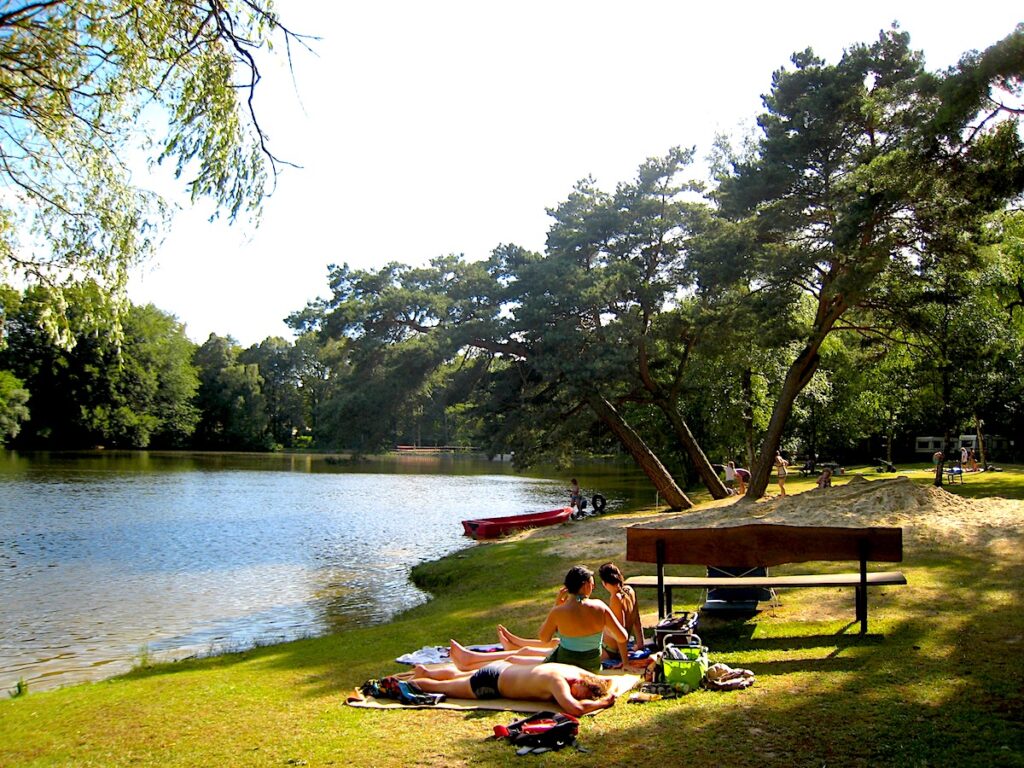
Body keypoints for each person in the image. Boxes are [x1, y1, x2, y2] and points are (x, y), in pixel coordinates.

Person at [450, 565, 627, 674]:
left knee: (515, 659)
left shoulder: (559, 611)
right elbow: (622, 637)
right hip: (592, 668)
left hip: (563, 667)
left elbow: (544, 638)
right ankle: (471, 659)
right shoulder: (600, 607)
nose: (593, 586)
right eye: (591, 583)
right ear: (584, 585)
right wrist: (600, 627)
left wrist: (556, 607)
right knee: (524, 653)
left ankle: (470, 662)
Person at [409, 661, 616, 717]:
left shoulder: (572, 671)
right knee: (444, 688)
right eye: (584, 695)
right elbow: (575, 710)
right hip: (490, 683)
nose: (579, 698)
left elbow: (605, 682)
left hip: (502, 668)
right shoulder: (558, 681)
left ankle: (425, 670)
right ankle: (415, 683)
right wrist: (602, 703)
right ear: (581, 683)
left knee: (457, 676)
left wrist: (603, 692)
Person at [597, 562, 646, 667]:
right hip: (615, 647)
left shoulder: (616, 598)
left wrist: (625, 663)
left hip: (609, 649)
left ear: (604, 583)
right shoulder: (630, 591)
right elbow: (636, 620)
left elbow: (620, 632)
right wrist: (640, 644)